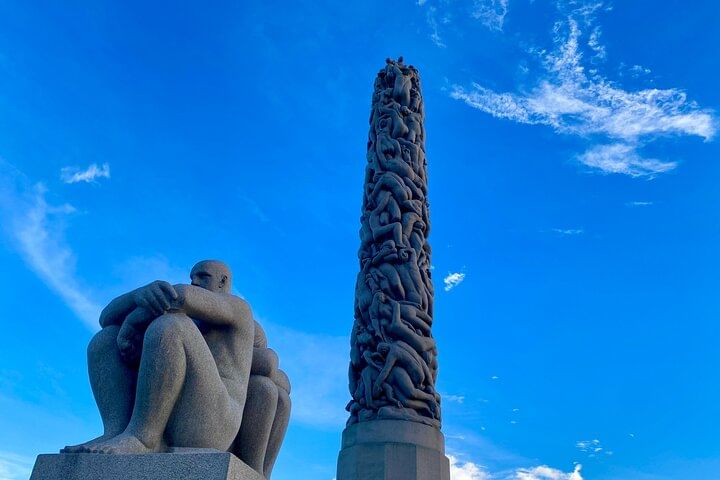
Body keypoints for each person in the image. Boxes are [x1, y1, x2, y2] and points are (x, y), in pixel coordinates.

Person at [62, 260, 256, 455]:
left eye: (203, 276)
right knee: (106, 338)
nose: (194, 282)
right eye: (191, 278)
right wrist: (137, 295)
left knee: (171, 326)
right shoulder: (189, 315)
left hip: (214, 423)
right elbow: (106, 318)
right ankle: (116, 431)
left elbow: (181, 296)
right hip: (173, 415)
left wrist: (133, 319)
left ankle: (144, 437)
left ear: (223, 281)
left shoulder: (238, 308)